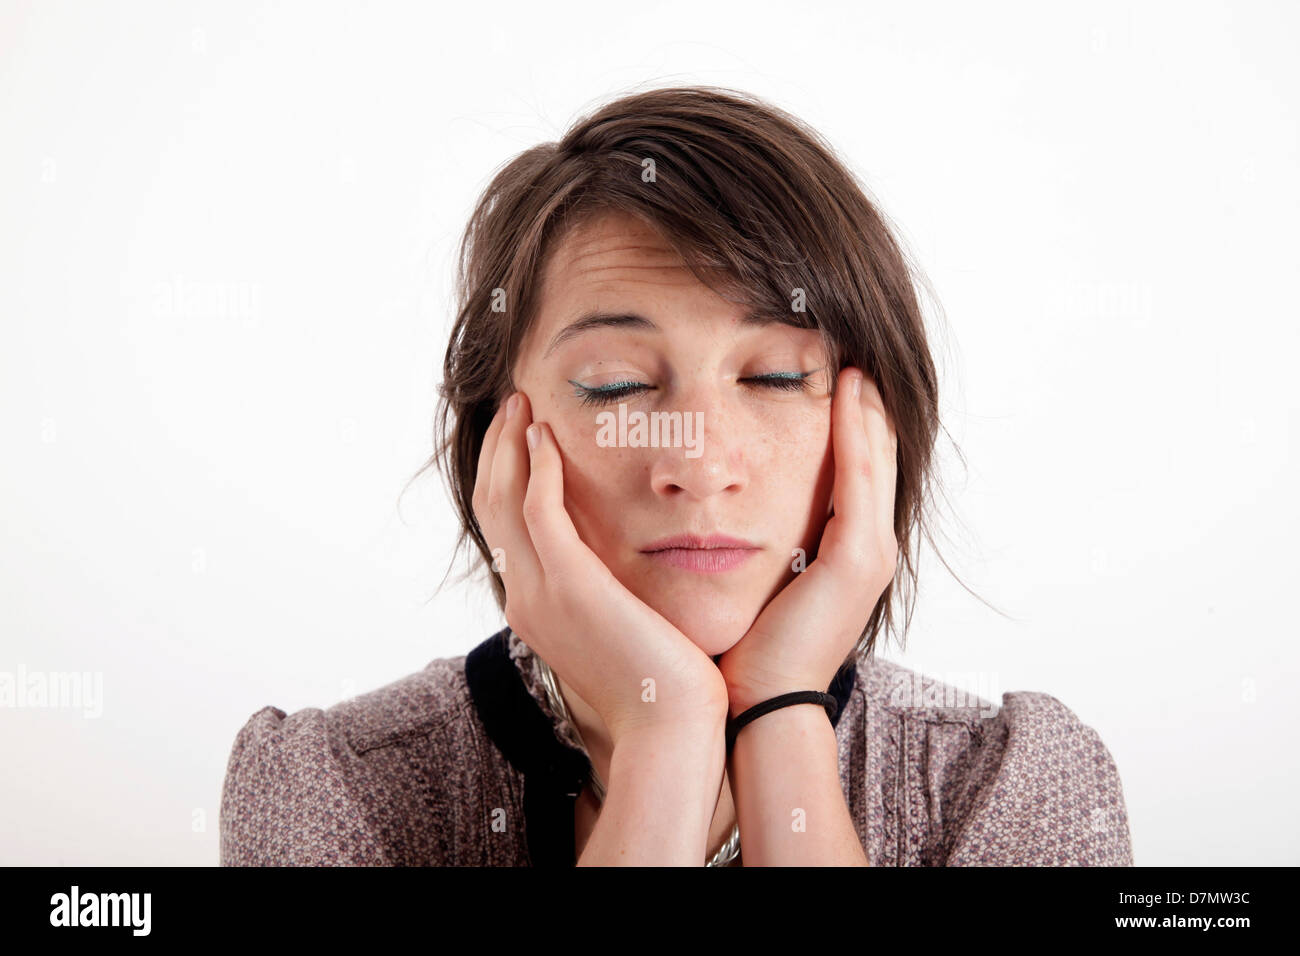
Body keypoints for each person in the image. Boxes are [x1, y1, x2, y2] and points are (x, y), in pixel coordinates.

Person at [219, 85, 1134, 866]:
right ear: (500, 438)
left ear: (875, 427)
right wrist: (667, 737)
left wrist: (780, 708)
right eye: (615, 385)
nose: (698, 463)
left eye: (775, 376)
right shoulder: (331, 789)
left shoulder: (1011, 787)